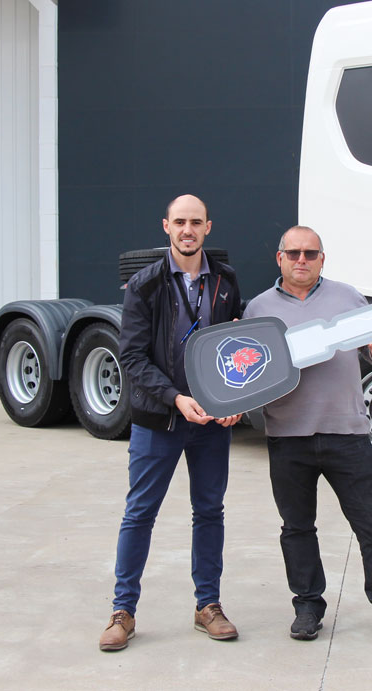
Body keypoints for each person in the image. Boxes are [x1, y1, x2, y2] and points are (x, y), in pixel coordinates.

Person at [242, 225, 372, 643]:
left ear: (323, 259)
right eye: (294, 253)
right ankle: (307, 606)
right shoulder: (258, 309)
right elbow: (249, 372)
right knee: (297, 527)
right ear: (279, 258)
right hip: (288, 435)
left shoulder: (348, 297)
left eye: (310, 253)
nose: (301, 260)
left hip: (346, 432)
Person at [99, 194, 245, 651]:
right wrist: (175, 398)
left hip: (211, 421)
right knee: (140, 513)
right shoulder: (144, 285)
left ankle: (208, 606)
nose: (188, 230)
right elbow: (132, 357)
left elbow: (234, 345)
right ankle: (123, 611)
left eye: (196, 222)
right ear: (166, 226)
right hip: (158, 419)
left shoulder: (225, 280)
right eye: (180, 222)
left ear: (208, 228)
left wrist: (235, 399)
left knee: (210, 511)